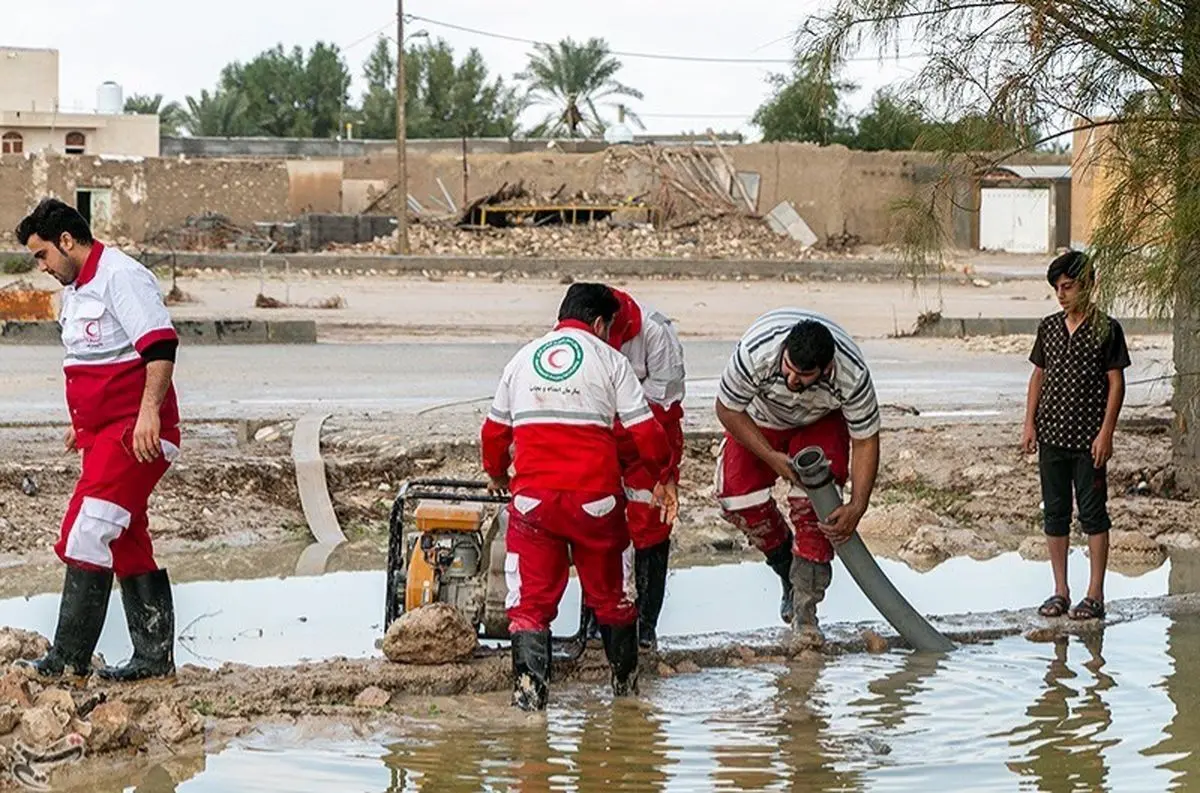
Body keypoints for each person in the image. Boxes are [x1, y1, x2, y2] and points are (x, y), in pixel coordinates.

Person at [481, 283, 672, 711]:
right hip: (597, 505)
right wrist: (661, 476)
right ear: (601, 324)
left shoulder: (522, 358)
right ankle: (625, 699)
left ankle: (530, 707)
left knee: (529, 606)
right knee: (614, 599)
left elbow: (494, 434)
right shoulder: (612, 361)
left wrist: (496, 474)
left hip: (533, 505)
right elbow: (647, 434)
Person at [13, 198, 181, 681]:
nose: (41, 266)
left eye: (42, 254)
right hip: (103, 434)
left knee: (88, 529)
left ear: (67, 242)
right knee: (125, 539)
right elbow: (97, 359)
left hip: (138, 433)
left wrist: (149, 412)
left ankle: (68, 662)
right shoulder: (77, 288)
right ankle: (153, 660)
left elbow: (160, 345)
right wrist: (82, 422)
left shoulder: (119, 276)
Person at [714, 309, 881, 643]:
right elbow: (727, 409)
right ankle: (786, 568)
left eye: (804, 378)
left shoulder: (852, 374)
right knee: (737, 499)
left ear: (826, 369)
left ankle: (805, 616)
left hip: (821, 421)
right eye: (788, 370)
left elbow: (865, 441)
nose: (792, 382)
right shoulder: (755, 353)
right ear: (783, 351)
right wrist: (772, 458)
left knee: (820, 513)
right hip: (760, 420)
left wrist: (858, 504)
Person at [1023, 251, 1129, 622]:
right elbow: (1038, 375)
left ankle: (1095, 594)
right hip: (1051, 434)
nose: (1062, 294)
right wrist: (1029, 423)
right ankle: (1060, 591)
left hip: (1089, 439)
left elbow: (1116, 383)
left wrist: (1106, 433)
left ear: (1087, 285)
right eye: (1057, 289)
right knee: (1054, 512)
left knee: (1093, 514)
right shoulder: (1048, 327)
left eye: (1068, 286)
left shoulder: (1107, 329)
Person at [602, 287, 686, 649]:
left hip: (651, 436)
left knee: (651, 523)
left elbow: (664, 404)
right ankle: (599, 620)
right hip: (602, 434)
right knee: (600, 518)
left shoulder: (655, 332)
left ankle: (646, 626)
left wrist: (664, 470)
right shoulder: (582, 329)